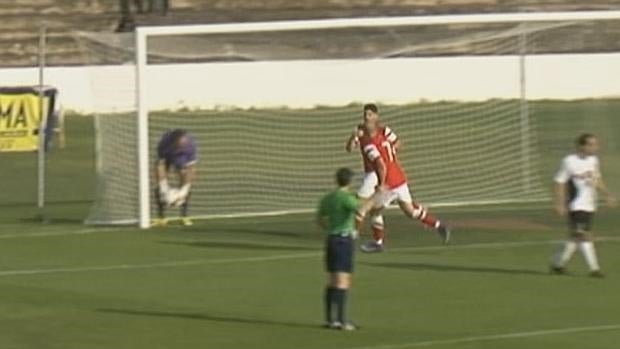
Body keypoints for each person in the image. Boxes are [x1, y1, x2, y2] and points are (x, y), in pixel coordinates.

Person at [355, 104, 450, 252]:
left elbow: (381, 165)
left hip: (390, 182)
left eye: (369, 116)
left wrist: (381, 184)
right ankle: (439, 225)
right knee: (411, 211)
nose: (366, 120)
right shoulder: (384, 138)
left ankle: (378, 242)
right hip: (400, 178)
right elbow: (394, 148)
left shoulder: (371, 143)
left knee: (374, 211)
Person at [550, 133, 616, 277]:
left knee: (575, 237)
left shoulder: (593, 160)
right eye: (591, 144)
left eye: (596, 144)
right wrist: (559, 203)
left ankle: (558, 264)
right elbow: (559, 182)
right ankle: (594, 269)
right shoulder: (569, 161)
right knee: (584, 235)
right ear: (581, 146)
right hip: (576, 205)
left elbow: (596, 179)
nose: (595, 147)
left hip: (589, 204)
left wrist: (607, 194)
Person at [345, 105, 400, 251]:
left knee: (358, 205)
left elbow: (398, 143)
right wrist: (353, 136)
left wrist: (388, 155)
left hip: (375, 173)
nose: (366, 117)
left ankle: (352, 236)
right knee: (374, 211)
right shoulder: (360, 131)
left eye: (370, 114)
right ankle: (379, 241)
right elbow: (350, 149)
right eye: (365, 114)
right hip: (371, 172)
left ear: (376, 116)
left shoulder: (384, 130)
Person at [317, 168, 359, 331]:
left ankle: (330, 319)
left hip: (331, 240)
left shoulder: (328, 198)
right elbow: (360, 209)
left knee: (332, 280)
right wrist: (377, 196)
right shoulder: (346, 198)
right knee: (343, 281)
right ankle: (342, 321)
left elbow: (320, 219)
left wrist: (330, 228)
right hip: (343, 241)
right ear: (349, 181)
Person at [153, 129, 197, 227]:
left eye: (183, 145)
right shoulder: (164, 143)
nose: (181, 146)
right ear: (173, 142)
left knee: (183, 175)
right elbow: (160, 165)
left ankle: (184, 216)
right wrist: (163, 188)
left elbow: (191, 169)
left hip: (181, 157)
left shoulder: (190, 146)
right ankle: (161, 218)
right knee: (159, 187)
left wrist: (183, 191)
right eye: (179, 145)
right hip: (168, 155)